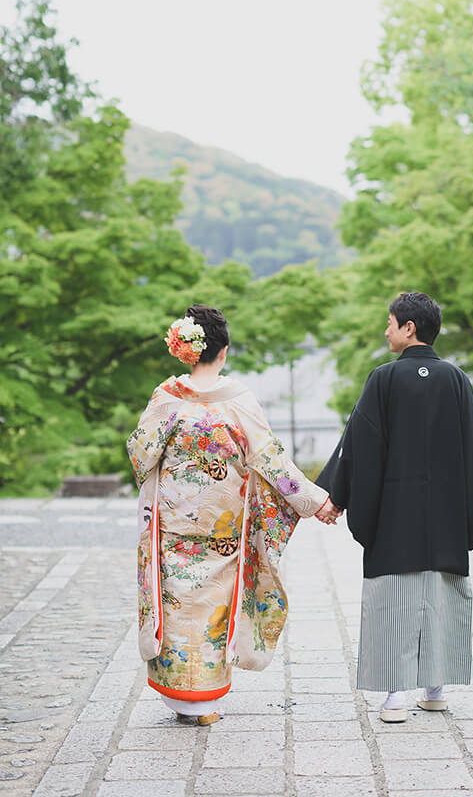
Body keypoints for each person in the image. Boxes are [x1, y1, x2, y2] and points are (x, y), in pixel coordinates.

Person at [127, 304, 339, 725]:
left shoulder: (165, 397)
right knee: (213, 608)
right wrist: (316, 502)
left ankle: (180, 698)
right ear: (223, 351)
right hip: (222, 526)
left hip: (172, 526)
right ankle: (205, 704)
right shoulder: (238, 400)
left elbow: (140, 453)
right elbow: (271, 461)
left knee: (176, 604)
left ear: (186, 351)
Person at [316, 291, 473, 723]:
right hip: (446, 516)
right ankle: (435, 689)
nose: (386, 330)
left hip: (394, 515)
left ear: (408, 328)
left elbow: (358, 445)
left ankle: (396, 695)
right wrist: (470, 506)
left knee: (395, 597)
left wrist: (336, 497)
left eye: (390, 322)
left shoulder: (383, 379)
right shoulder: (456, 380)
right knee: (439, 594)